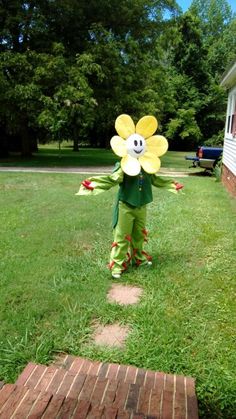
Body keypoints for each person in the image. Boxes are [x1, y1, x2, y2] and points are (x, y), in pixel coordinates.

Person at [76, 114, 183, 279]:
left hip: (142, 206)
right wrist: (94, 184)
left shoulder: (148, 165)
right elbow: (112, 179)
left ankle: (138, 259)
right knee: (122, 236)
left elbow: (156, 180)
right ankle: (117, 265)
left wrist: (171, 185)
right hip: (126, 206)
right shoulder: (123, 165)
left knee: (139, 234)